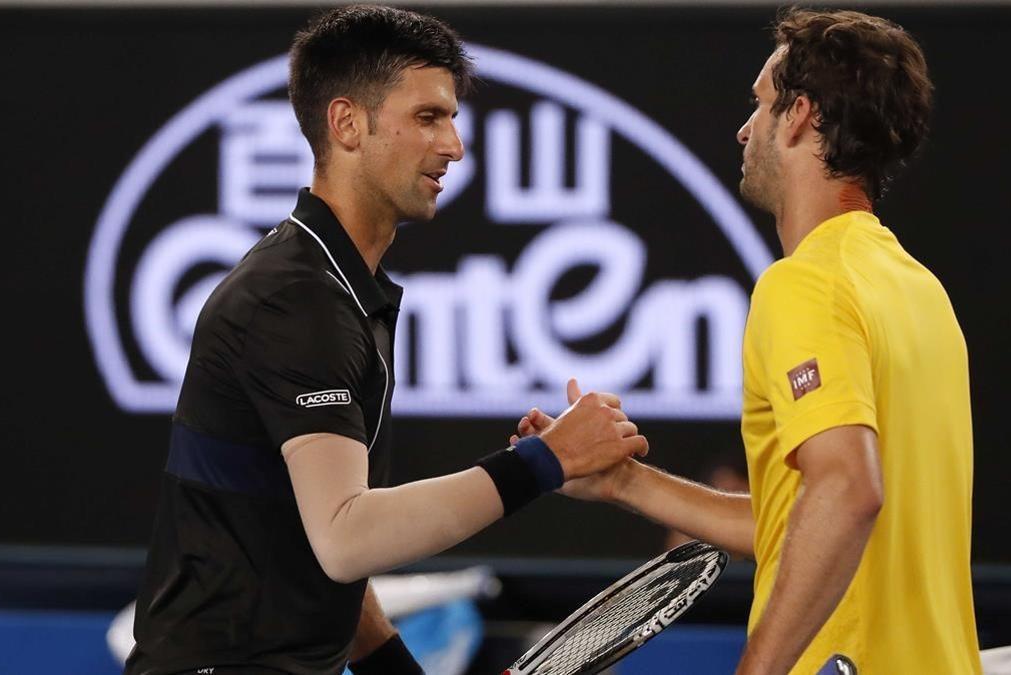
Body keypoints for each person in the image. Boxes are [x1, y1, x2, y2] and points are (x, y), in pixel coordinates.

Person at [125, 6, 646, 675]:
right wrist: (547, 461)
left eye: (452, 117)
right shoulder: (295, 300)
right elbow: (346, 536)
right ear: (346, 124)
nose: (454, 146)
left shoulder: (335, 287)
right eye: (429, 117)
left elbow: (312, 548)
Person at [519, 9, 980, 673]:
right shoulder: (917, 288)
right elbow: (805, 523)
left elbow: (848, 490)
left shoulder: (805, 284)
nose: (745, 127)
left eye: (760, 104)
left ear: (799, 115)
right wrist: (625, 481)